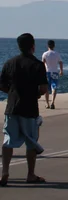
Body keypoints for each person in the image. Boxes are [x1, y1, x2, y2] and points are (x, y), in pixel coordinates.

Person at [0, 33, 48, 187]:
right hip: (29, 108)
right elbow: (43, 88)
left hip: (12, 107)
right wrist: (34, 93)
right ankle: (30, 174)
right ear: (32, 46)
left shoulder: (9, 63)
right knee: (31, 141)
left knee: (8, 140)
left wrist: (12, 92)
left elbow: (1, 85)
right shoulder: (37, 65)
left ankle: (5, 173)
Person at [41, 40, 63, 110]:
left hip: (47, 72)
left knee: (46, 88)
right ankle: (52, 102)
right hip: (55, 72)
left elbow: (42, 64)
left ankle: (47, 104)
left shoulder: (45, 54)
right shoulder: (57, 54)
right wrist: (61, 70)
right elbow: (60, 62)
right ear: (54, 46)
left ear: (48, 46)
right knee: (54, 87)